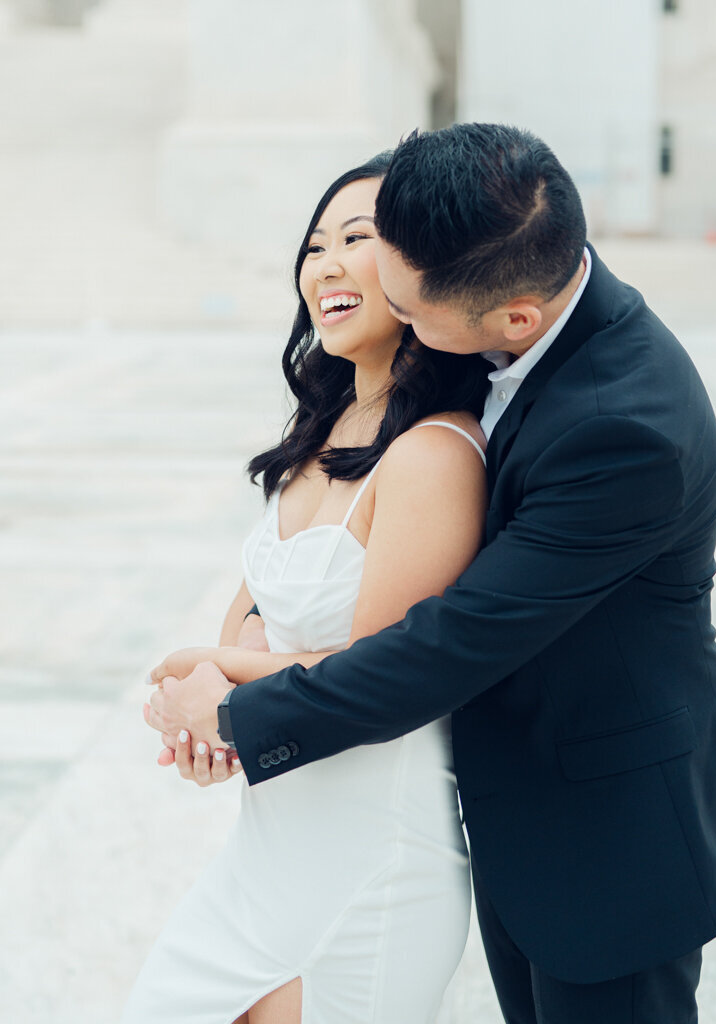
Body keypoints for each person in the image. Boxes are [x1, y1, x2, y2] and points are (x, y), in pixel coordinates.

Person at [147, 124, 716, 1024]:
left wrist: (232, 711)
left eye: (408, 300)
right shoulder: (507, 272)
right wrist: (224, 659)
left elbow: (443, 645)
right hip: (505, 809)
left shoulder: (625, 429)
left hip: (610, 831)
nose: (372, 295)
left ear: (513, 318)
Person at [124, 152, 493, 1023]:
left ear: (418, 273)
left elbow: (374, 673)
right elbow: (260, 601)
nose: (323, 264)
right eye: (314, 243)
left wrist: (211, 671)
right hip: (266, 851)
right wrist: (215, 690)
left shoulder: (435, 454)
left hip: (370, 861)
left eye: (356, 239)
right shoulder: (317, 430)